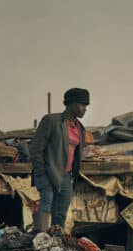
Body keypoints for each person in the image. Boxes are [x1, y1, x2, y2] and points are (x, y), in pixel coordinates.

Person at [28, 88, 89, 233]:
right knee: (47, 201)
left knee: (61, 210)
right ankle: (40, 237)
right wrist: (41, 171)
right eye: (82, 105)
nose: (85, 109)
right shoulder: (51, 121)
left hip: (66, 175)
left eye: (86, 106)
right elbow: (35, 148)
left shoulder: (80, 128)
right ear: (71, 104)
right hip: (48, 171)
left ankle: (56, 241)